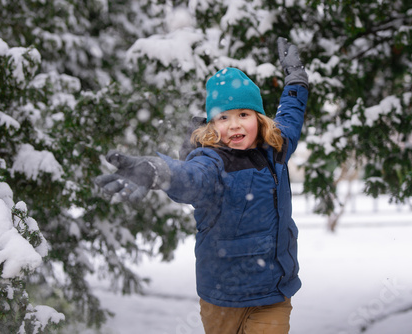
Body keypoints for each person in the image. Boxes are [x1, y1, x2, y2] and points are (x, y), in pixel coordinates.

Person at [95, 37, 309, 334]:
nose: (234, 125)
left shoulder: (276, 147)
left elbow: (291, 114)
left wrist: (296, 79)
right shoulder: (212, 161)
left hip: (273, 292)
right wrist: (159, 170)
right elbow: (189, 177)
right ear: (212, 126)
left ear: (259, 120)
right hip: (221, 297)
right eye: (224, 118)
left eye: (243, 115)